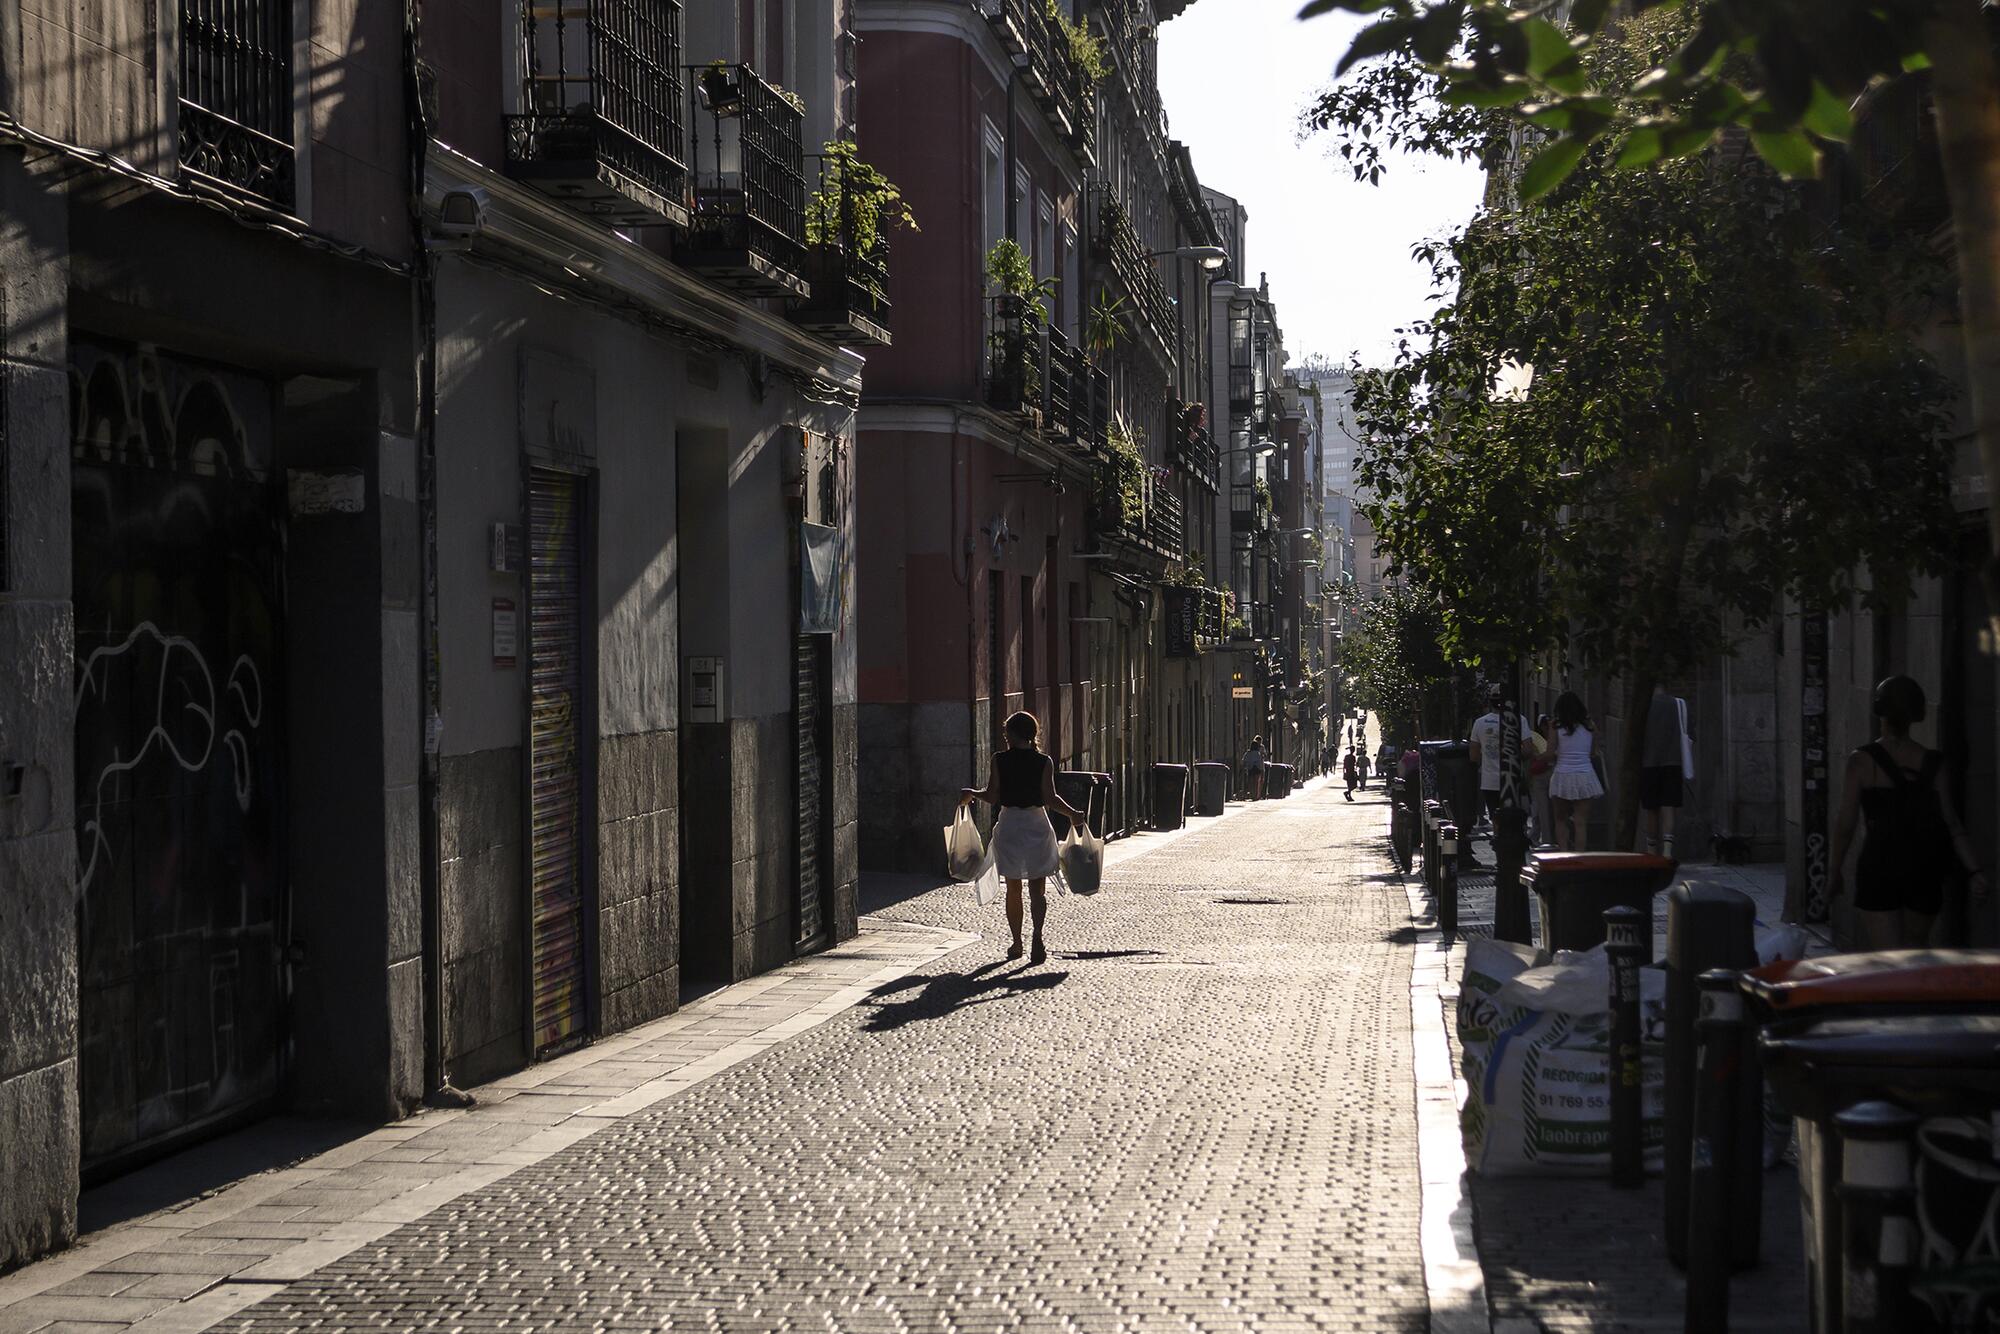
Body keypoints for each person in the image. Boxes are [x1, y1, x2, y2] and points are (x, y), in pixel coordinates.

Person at [1829, 676, 1988, 950]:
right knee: (1914, 954)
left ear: (1880, 712)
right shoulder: (1935, 763)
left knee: (1890, 960)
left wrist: (1834, 871)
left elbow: (1846, 823)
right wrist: (1974, 870)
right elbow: (1951, 823)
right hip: (1924, 869)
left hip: (1879, 866)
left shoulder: (1861, 761)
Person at [960, 711, 1087, 964]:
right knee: (1037, 890)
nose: (1004, 734)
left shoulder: (1000, 760)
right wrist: (1073, 813)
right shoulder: (1044, 761)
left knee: (1013, 889)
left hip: (1010, 826)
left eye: (1007, 730)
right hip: (1036, 826)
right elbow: (1050, 799)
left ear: (1013, 733)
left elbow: (992, 796)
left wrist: (972, 793)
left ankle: (1016, 942)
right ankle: (1037, 938)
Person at [1467, 690, 1534, 829]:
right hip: (1513, 779)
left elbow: (1473, 755)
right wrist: (1513, 757)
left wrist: (1487, 759)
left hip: (1489, 780)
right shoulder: (1519, 720)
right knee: (1515, 818)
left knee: (1495, 817)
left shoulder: (1479, 723)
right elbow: (1528, 750)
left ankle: (1498, 842)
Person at [1639, 683, 1691, 858]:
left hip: (1648, 763)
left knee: (1651, 809)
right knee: (1668, 807)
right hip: (1673, 761)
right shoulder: (1678, 705)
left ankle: (1651, 851)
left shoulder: (1644, 706)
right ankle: (1668, 850)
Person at [1547, 691, 1603, 851]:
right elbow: (1593, 752)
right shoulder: (1590, 725)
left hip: (1562, 776)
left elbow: (1550, 752)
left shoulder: (1555, 725)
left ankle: (1564, 854)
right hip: (1585, 775)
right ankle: (1580, 856)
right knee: (1581, 822)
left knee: (1560, 819)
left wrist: (1539, 758)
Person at [1529, 713, 1556, 849]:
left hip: (1547, 773)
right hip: (1550, 772)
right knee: (1543, 809)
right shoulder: (1536, 737)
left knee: (1543, 809)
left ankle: (1547, 839)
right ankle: (1547, 839)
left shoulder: (1536, 737)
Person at [1242, 735, 1268, 801]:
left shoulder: (1248, 753)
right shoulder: (1257, 753)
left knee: (1251, 782)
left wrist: (1244, 766)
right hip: (1257, 768)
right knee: (1256, 782)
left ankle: (1253, 794)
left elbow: (1244, 760)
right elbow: (1259, 760)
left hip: (1250, 769)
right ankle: (1256, 795)